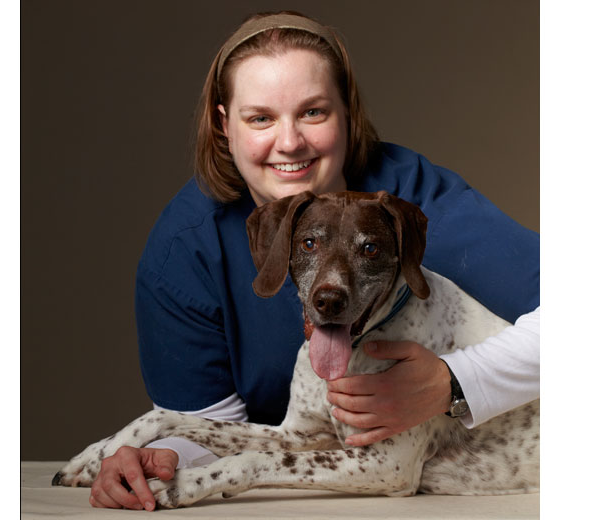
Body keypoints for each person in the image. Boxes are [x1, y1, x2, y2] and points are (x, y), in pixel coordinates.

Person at [87, 12, 540, 511]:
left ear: (347, 112)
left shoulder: (415, 204)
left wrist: (452, 382)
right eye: (260, 117)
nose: (289, 142)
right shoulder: (185, 249)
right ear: (224, 123)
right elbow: (219, 430)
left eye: (313, 113)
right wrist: (156, 453)